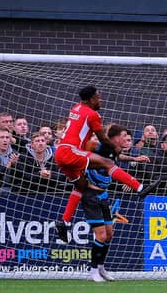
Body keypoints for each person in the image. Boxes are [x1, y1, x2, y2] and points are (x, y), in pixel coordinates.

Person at [53, 85, 160, 243]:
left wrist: (132, 158)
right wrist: (115, 147)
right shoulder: (93, 115)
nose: (100, 99)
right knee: (108, 163)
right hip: (70, 151)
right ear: (91, 99)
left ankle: (64, 221)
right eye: (98, 97)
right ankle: (140, 188)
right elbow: (102, 138)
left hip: (61, 154)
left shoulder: (77, 107)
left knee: (81, 187)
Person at [81, 124, 129, 282]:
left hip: (103, 195)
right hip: (91, 195)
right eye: (124, 137)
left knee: (109, 234)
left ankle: (101, 267)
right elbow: (87, 150)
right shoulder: (98, 147)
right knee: (100, 235)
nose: (127, 140)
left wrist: (134, 158)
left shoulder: (114, 151)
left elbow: (117, 158)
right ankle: (93, 270)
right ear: (115, 138)